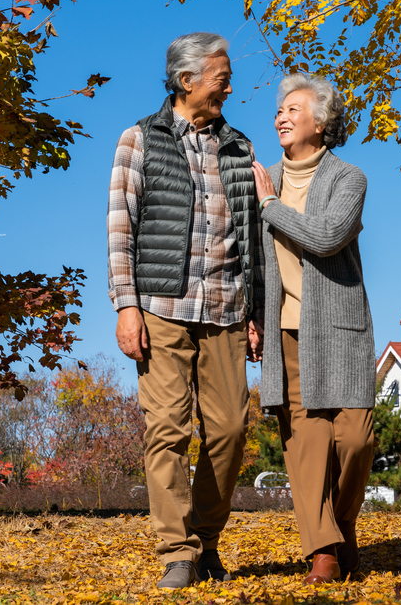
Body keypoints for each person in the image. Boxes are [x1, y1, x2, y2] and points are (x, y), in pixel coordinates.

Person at [107, 32, 264, 590]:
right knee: (167, 429)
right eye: (220, 75)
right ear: (185, 80)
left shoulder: (240, 148)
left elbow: (252, 237)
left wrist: (256, 312)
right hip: (161, 307)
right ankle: (178, 551)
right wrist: (127, 306)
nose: (228, 84)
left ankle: (207, 537)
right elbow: (121, 230)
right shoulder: (139, 140)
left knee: (228, 430)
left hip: (225, 308)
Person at [251, 72, 376, 584]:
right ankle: (322, 550)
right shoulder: (263, 178)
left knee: (355, 440)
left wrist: (271, 208)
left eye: (295, 109)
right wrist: (252, 319)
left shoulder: (349, 179)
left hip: (340, 330)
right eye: (280, 110)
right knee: (304, 445)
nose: (282, 116)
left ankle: (342, 526)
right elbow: (254, 261)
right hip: (285, 331)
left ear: (321, 124)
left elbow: (326, 237)